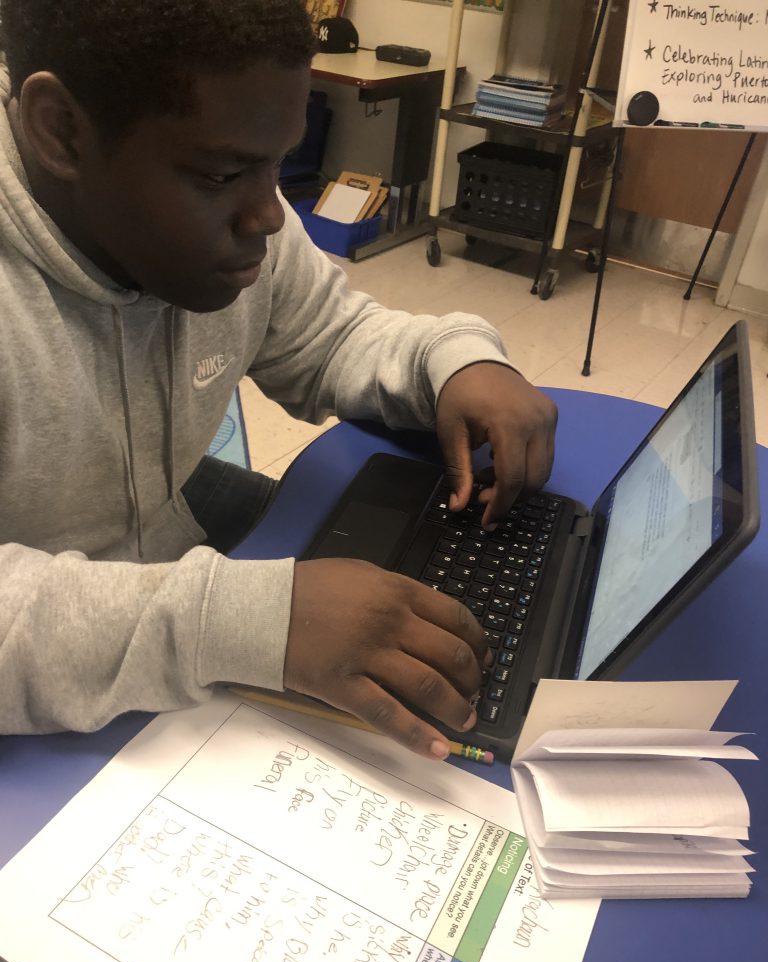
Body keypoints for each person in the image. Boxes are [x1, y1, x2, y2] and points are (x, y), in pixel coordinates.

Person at [0, 0, 557, 759]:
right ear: (61, 130)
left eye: (279, 162)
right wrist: (251, 622)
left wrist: (455, 359)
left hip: (162, 534)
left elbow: (326, 335)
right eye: (225, 173)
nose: (270, 214)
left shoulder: (238, 214)